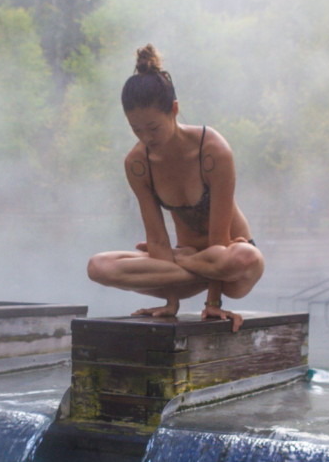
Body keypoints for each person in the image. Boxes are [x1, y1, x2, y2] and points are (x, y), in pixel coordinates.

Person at [87, 44, 264, 332]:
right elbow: (157, 241)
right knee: (98, 267)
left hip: (228, 265)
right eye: (136, 129)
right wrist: (172, 303)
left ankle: (187, 260)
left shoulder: (213, 150)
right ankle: (186, 260)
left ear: (174, 110)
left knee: (247, 256)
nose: (146, 137)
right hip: (179, 265)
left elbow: (219, 240)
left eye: (153, 128)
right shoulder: (137, 163)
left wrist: (213, 305)